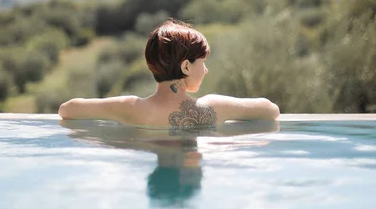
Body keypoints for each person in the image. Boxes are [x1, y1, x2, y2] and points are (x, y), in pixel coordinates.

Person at [58, 19, 280, 128]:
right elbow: (271, 110)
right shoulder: (212, 108)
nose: (206, 69)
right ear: (185, 67)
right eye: (202, 63)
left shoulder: (130, 108)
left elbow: (67, 109)